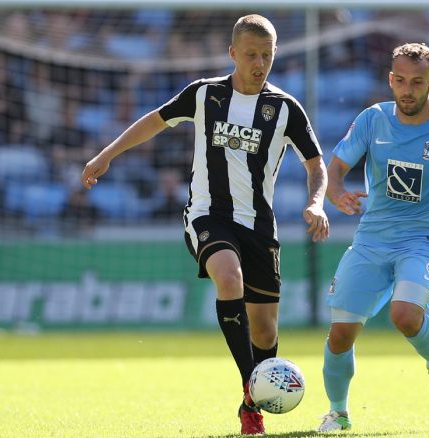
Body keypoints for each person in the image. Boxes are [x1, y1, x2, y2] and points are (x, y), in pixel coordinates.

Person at [80, 14, 329, 436]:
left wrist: (317, 201)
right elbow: (156, 120)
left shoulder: (285, 109)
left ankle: (253, 389)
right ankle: (253, 397)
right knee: (228, 278)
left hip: (259, 227)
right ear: (233, 53)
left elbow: (315, 162)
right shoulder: (205, 94)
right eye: (251, 54)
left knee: (266, 329)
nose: (259, 63)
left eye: (267, 55)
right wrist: (108, 153)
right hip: (208, 215)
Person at [317, 43, 429, 432]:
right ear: (390, 80)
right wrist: (337, 193)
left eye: (417, 82)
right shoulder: (373, 120)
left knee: (404, 314)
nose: (407, 90)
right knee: (341, 332)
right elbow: (335, 167)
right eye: (399, 80)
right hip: (372, 239)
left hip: (425, 240)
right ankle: (338, 412)